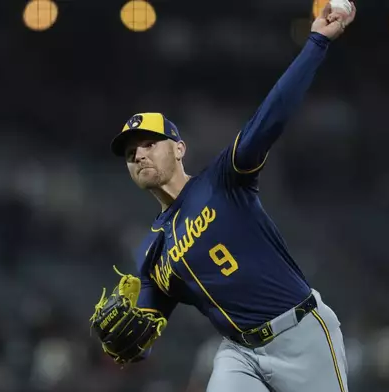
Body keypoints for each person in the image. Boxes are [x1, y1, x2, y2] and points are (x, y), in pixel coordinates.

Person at [103, 3, 357, 392]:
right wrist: (122, 345)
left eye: (150, 143)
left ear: (179, 149)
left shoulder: (223, 181)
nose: (138, 154)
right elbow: (142, 338)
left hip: (302, 335)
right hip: (240, 354)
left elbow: (270, 116)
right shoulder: (153, 255)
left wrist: (316, 43)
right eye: (130, 153)